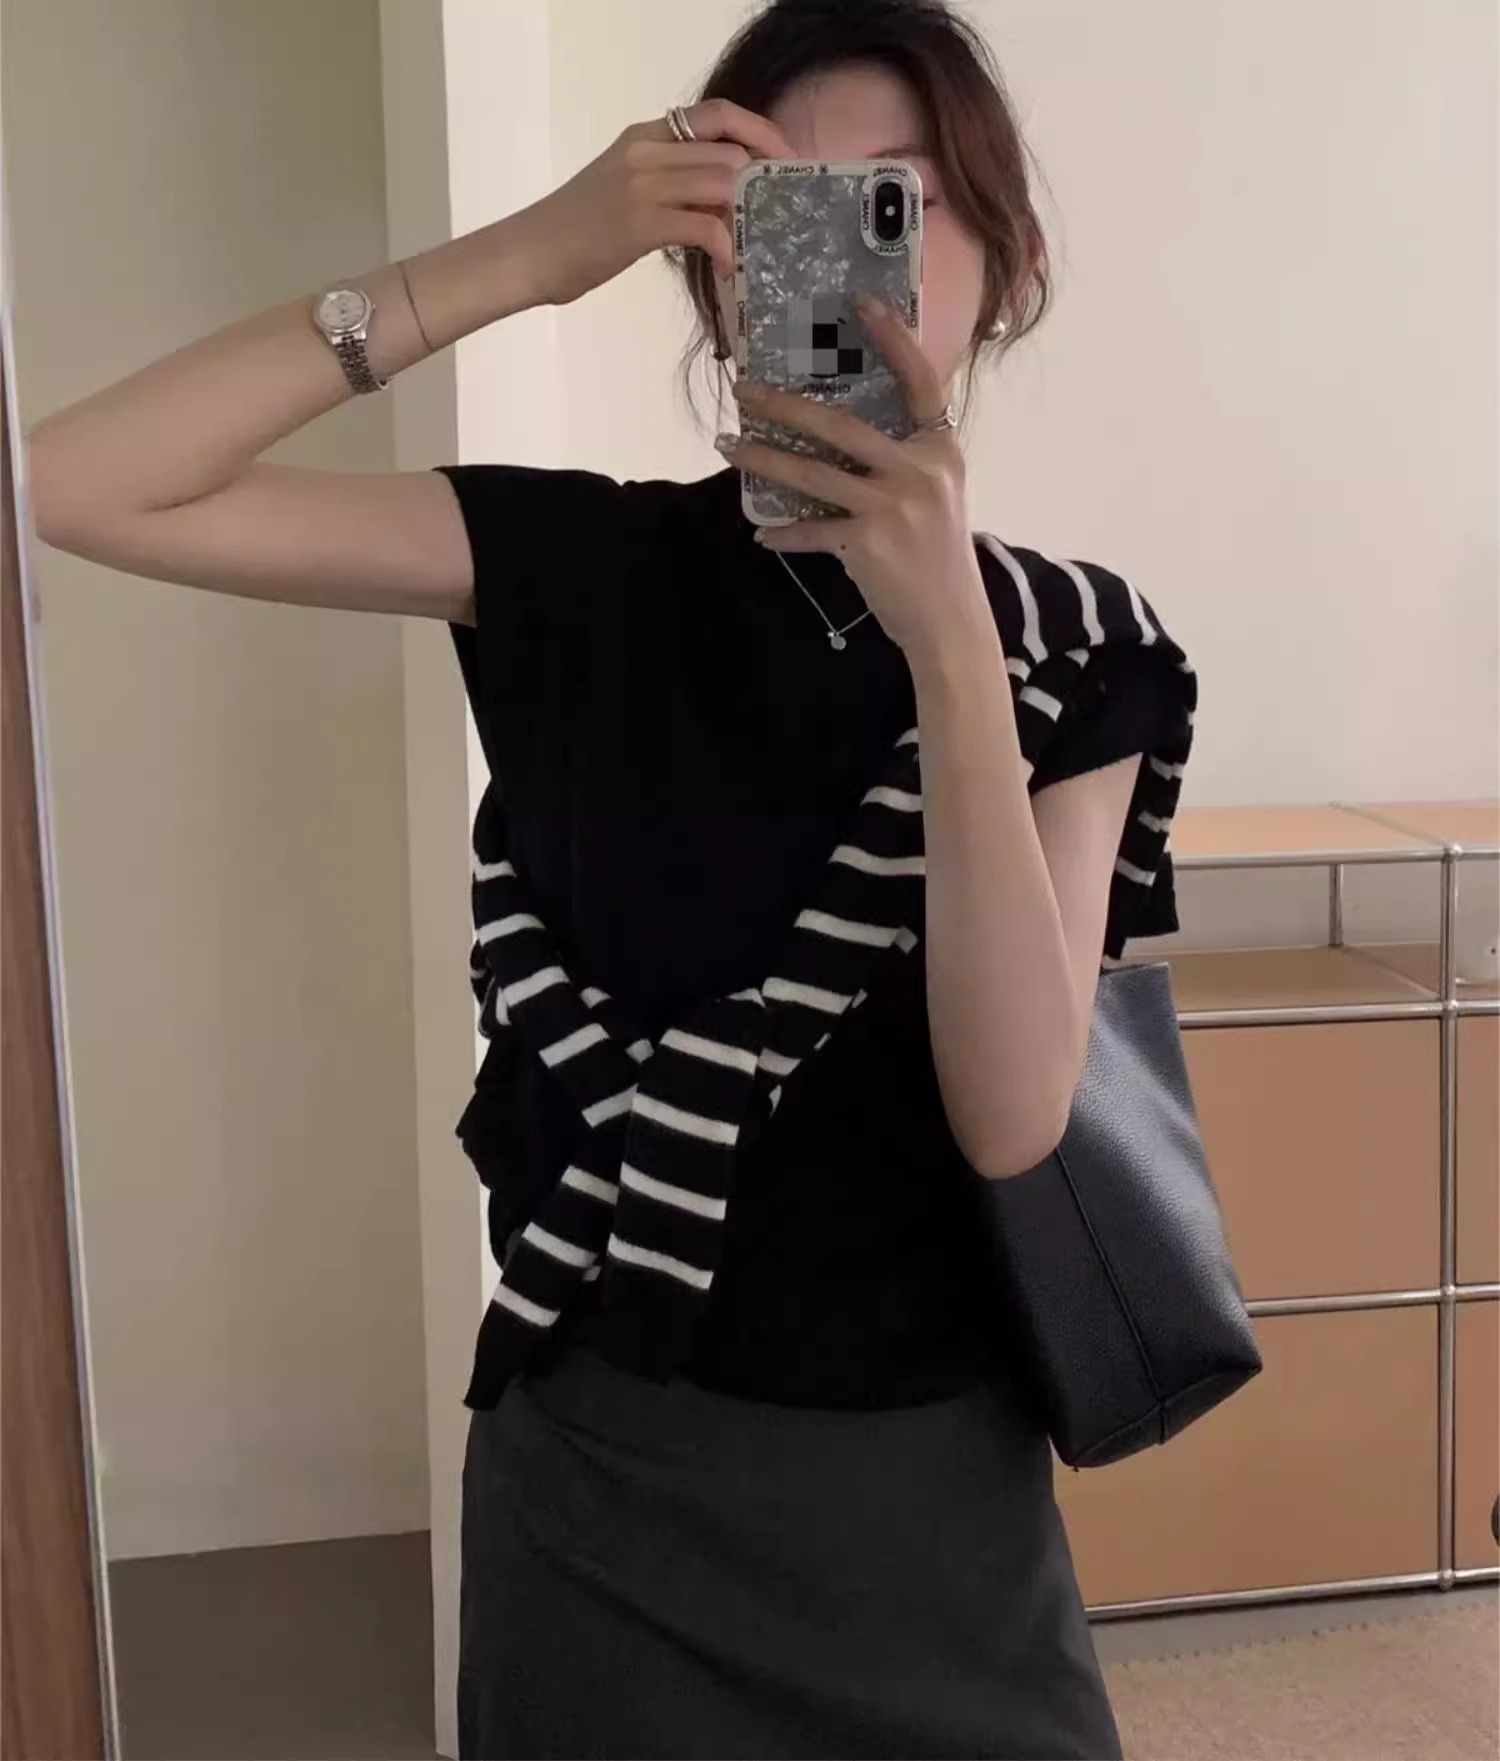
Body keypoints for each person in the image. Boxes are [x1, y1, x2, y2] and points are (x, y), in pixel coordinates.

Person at [29, 1, 1198, 1754]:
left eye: (896, 201)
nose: (846, 261)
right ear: (714, 266)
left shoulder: (1078, 645)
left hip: (926, 1512)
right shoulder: (581, 563)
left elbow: (1015, 1112)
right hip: (598, 1492)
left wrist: (952, 646)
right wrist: (520, 256)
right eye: (781, 209)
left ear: (1005, 257)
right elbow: (71, 483)